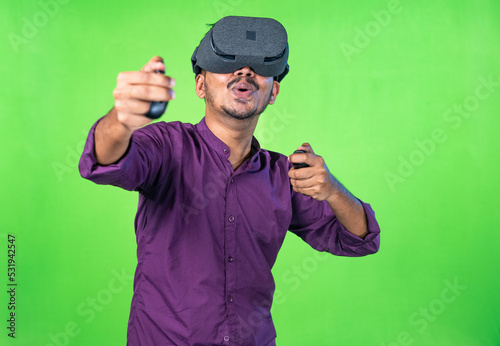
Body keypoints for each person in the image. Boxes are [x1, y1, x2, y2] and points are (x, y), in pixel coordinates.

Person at [79, 16, 380, 346]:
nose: (245, 72)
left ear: (273, 91)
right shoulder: (167, 147)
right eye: (229, 64)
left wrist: (333, 191)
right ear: (200, 86)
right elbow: (104, 161)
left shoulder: (285, 176)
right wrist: (121, 121)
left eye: (258, 68)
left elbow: (358, 240)